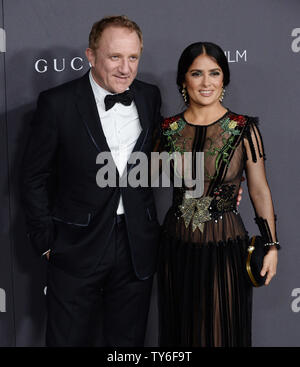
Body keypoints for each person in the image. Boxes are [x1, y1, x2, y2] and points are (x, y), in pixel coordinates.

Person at [21, 15, 162, 347]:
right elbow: (34, 176)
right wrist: (46, 242)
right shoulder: (57, 103)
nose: (126, 68)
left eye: (133, 57)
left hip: (135, 246)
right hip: (75, 245)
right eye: (115, 57)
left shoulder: (149, 96)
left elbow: (161, 160)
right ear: (91, 55)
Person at [156, 42, 279, 347]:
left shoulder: (242, 129)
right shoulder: (167, 129)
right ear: (183, 80)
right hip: (176, 246)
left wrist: (272, 246)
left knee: (221, 333)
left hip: (224, 246)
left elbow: (259, 189)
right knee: (180, 334)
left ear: (224, 79)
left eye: (214, 73)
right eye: (196, 73)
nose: (206, 82)